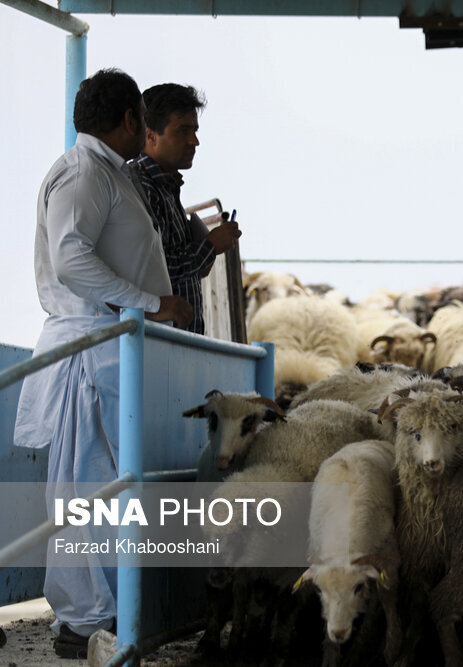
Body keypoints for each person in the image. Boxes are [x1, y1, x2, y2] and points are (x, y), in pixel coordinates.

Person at [13, 68, 192, 659]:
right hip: (90, 352)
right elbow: (71, 260)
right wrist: (150, 302)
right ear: (128, 121)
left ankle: (105, 614)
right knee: (88, 488)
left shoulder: (104, 171)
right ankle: (85, 621)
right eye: (141, 118)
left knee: (104, 487)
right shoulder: (83, 173)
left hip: (109, 351)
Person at [131, 83, 241, 335]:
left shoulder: (167, 187)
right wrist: (210, 246)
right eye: (183, 131)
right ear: (150, 135)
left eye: (195, 130)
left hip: (177, 341)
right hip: (156, 343)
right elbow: (155, 268)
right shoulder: (142, 188)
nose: (195, 141)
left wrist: (204, 256)